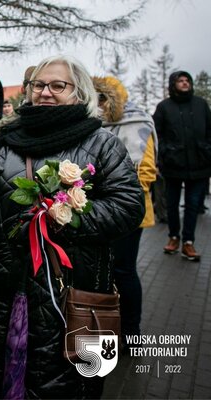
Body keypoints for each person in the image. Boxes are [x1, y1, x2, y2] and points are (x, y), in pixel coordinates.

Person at [0, 55, 144, 398]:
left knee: (64, 385)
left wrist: (64, 215)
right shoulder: (7, 140)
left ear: (79, 93)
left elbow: (129, 205)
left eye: (58, 85)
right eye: (39, 85)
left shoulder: (101, 143)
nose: (46, 92)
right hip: (4, 292)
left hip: (71, 294)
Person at [94, 75, 157, 352]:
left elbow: (147, 171)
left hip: (131, 210)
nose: (97, 105)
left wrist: (120, 195)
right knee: (104, 272)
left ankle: (132, 334)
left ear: (112, 100)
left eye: (101, 99)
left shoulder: (138, 122)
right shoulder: (97, 125)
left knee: (124, 270)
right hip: (101, 211)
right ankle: (107, 330)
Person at [153, 71, 211, 261]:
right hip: (173, 165)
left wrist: (207, 150)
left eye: (187, 80)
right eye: (181, 80)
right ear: (173, 84)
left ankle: (188, 242)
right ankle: (173, 237)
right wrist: (165, 154)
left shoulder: (201, 105)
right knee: (171, 205)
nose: (185, 83)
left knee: (193, 205)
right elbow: (156, 135)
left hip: (200, 164)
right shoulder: (164, 107)